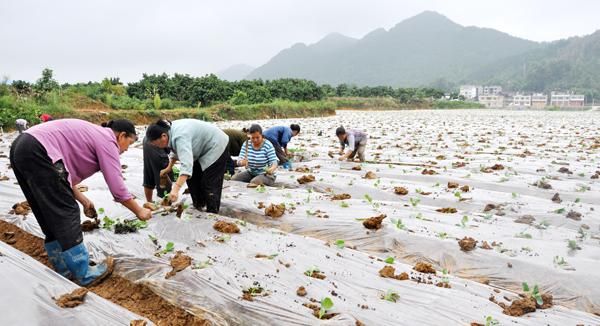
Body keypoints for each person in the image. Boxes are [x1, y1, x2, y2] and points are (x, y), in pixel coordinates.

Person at [9, 119, 151, 286]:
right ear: (122, 135)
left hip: (21, 146)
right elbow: (117, 188)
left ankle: (63, 266)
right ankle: (84, 273)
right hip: (39, 149)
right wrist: (139, 211)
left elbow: (63, 175)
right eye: (129, 143)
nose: (126, 149)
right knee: (67, 210)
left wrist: (84, 200)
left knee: (45, 208)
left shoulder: (93, 134)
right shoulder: (108, 140)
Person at [146, 119, 229, 213]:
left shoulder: (180, 136)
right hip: (199, 148)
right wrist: (169, 167)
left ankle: (212, 213)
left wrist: (175, 189)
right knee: (192, 179)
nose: (157, 147)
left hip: (216, 145)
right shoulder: (169, 132)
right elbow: (177, 151)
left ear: (163, 136)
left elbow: (186, 165)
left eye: (156, 144)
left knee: (209, 183)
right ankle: (199, 206)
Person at [143, 136, 173, 203]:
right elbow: (169, 150)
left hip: (147, 139)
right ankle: (165, 203)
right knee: (163, 174)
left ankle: (149, 202)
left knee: (149, 173)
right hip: (157, 142)